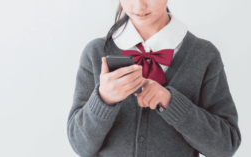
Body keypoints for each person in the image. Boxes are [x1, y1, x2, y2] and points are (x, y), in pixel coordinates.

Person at [67, 0, 242, 157]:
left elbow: (225, 146)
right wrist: (103, 100)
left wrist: (172, 103)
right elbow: (80, 146)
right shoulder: (96, 52)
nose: (139, 6)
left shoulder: (204, 55)